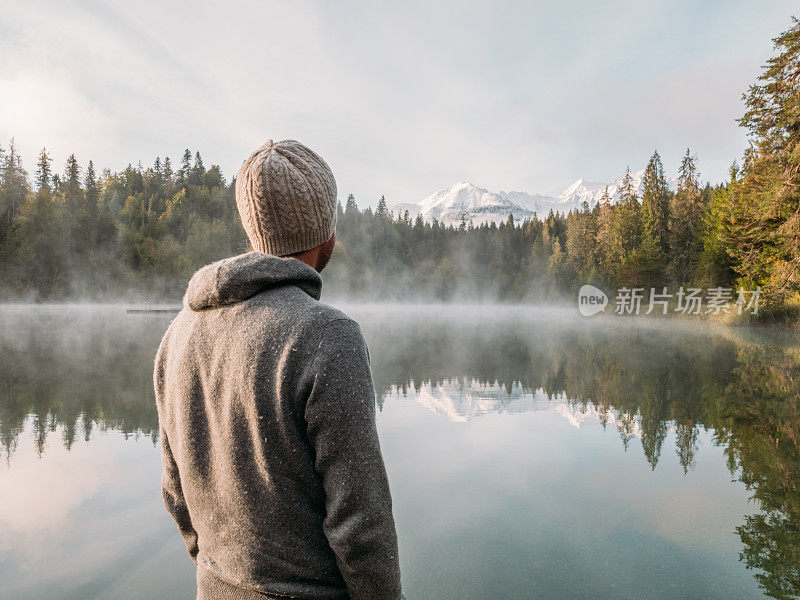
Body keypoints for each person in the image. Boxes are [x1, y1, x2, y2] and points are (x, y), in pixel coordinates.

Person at [154, 139, 403, 600]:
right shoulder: (327, 335)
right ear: (326, 231)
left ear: (254, 230)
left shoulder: (177, 335)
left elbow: (176, 494)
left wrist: (221, 574)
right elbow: (361, 526)